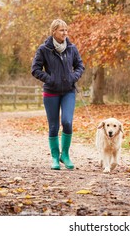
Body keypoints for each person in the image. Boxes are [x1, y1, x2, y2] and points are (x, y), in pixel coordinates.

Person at [31, 19, 85, 170]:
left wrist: (73, 77)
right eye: (62, 30)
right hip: (51, 92)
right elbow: (35, 69)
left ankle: (65, 155)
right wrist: (50, 79)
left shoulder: (72, 48)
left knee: (67, 122)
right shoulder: (44, 49)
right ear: (53, 31)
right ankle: (55, 157)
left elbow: (80, 65)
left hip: (68, 91)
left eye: (66, 30)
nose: (65, 33)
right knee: (53, 126)